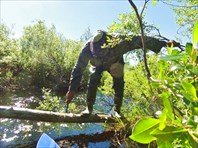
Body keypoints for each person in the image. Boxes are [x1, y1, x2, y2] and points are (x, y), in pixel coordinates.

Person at [65, 30, 180, 115]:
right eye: (96, 50)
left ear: (110, 44)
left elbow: (141, 39)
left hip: (115, 63)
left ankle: (117, 110)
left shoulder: (120, 41)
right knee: (93, 78)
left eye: (101, 50)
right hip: (98, 65)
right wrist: (72, 90)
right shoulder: (87, 48)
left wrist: (164, 44)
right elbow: (78, 69)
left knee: (119, 84)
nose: (99, 52)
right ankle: (88, 108)